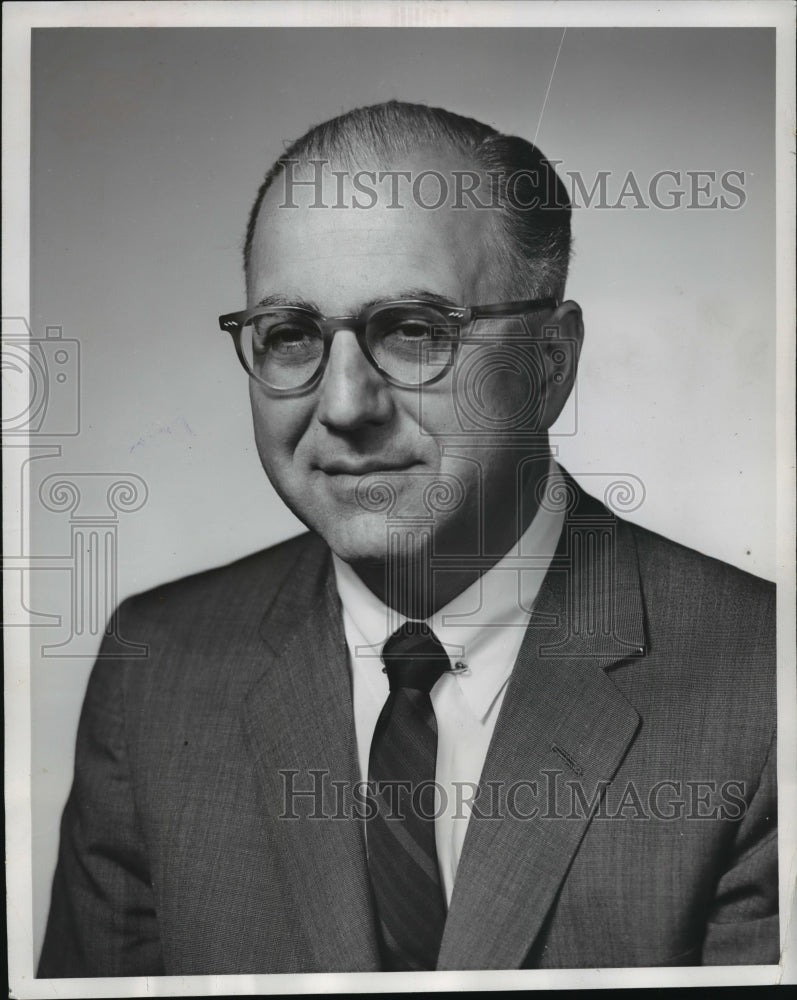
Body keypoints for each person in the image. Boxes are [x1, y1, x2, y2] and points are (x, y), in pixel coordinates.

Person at [38, 101, 777, 976]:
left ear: (548, 364)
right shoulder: (155, 670)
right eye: (289, 336)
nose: (345, 405)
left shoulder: (765, 688)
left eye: (414, 331)